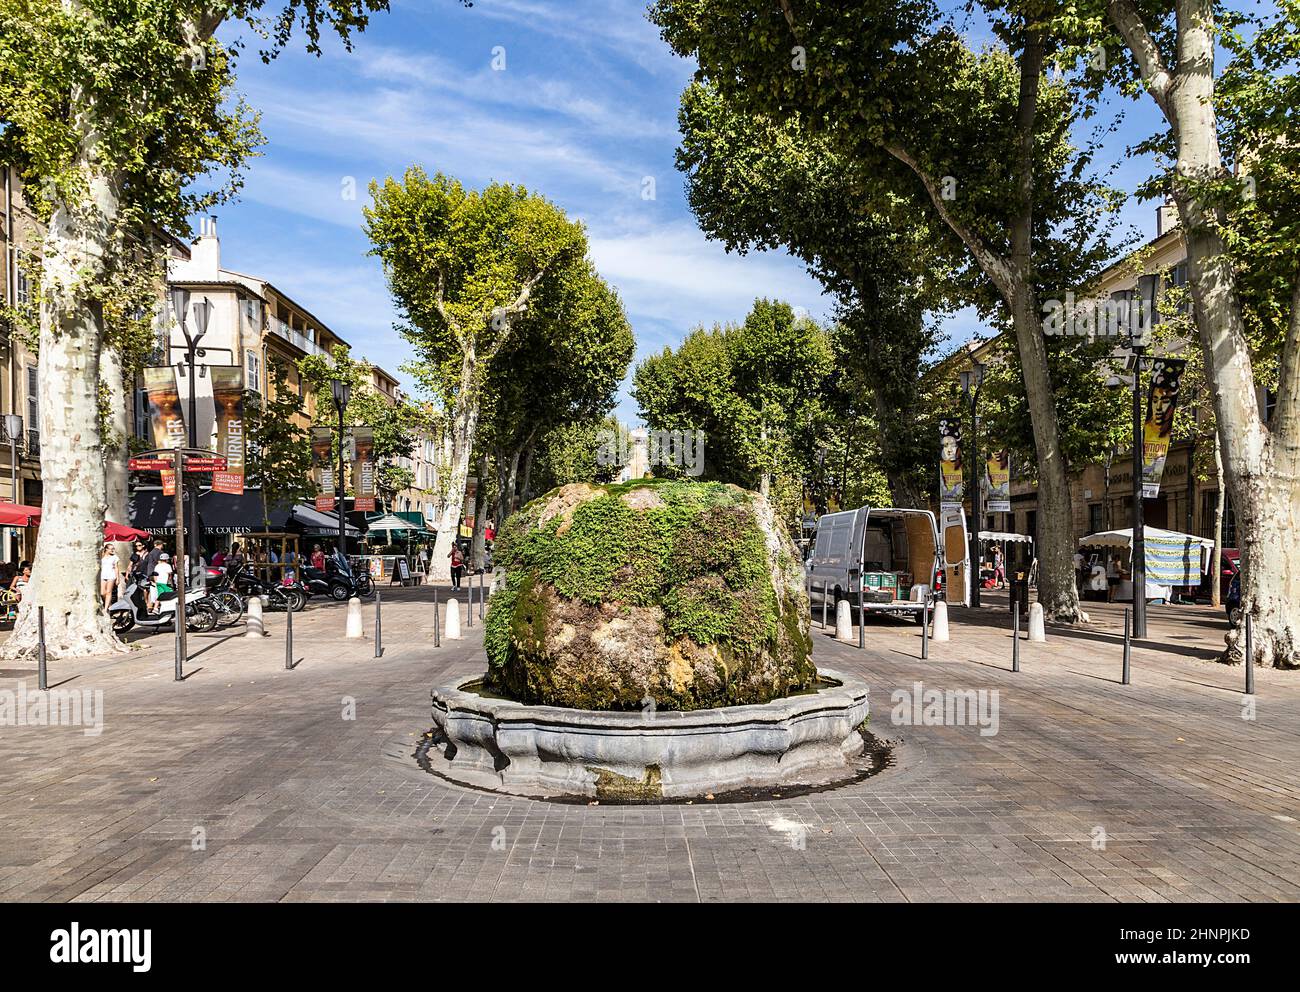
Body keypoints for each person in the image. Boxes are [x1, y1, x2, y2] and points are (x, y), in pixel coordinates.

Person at [100, 542, 119, 611]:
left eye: (113, 549)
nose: (112, 550)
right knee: (102, 593)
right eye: (110, 549)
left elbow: (116, 568)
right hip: (103, 575)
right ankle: (109, 604)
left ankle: (105, 609)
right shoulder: (102, 556)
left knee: (109, 592)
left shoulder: (114, 557)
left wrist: (117, 578)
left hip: (111, 575)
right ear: (106, 549)